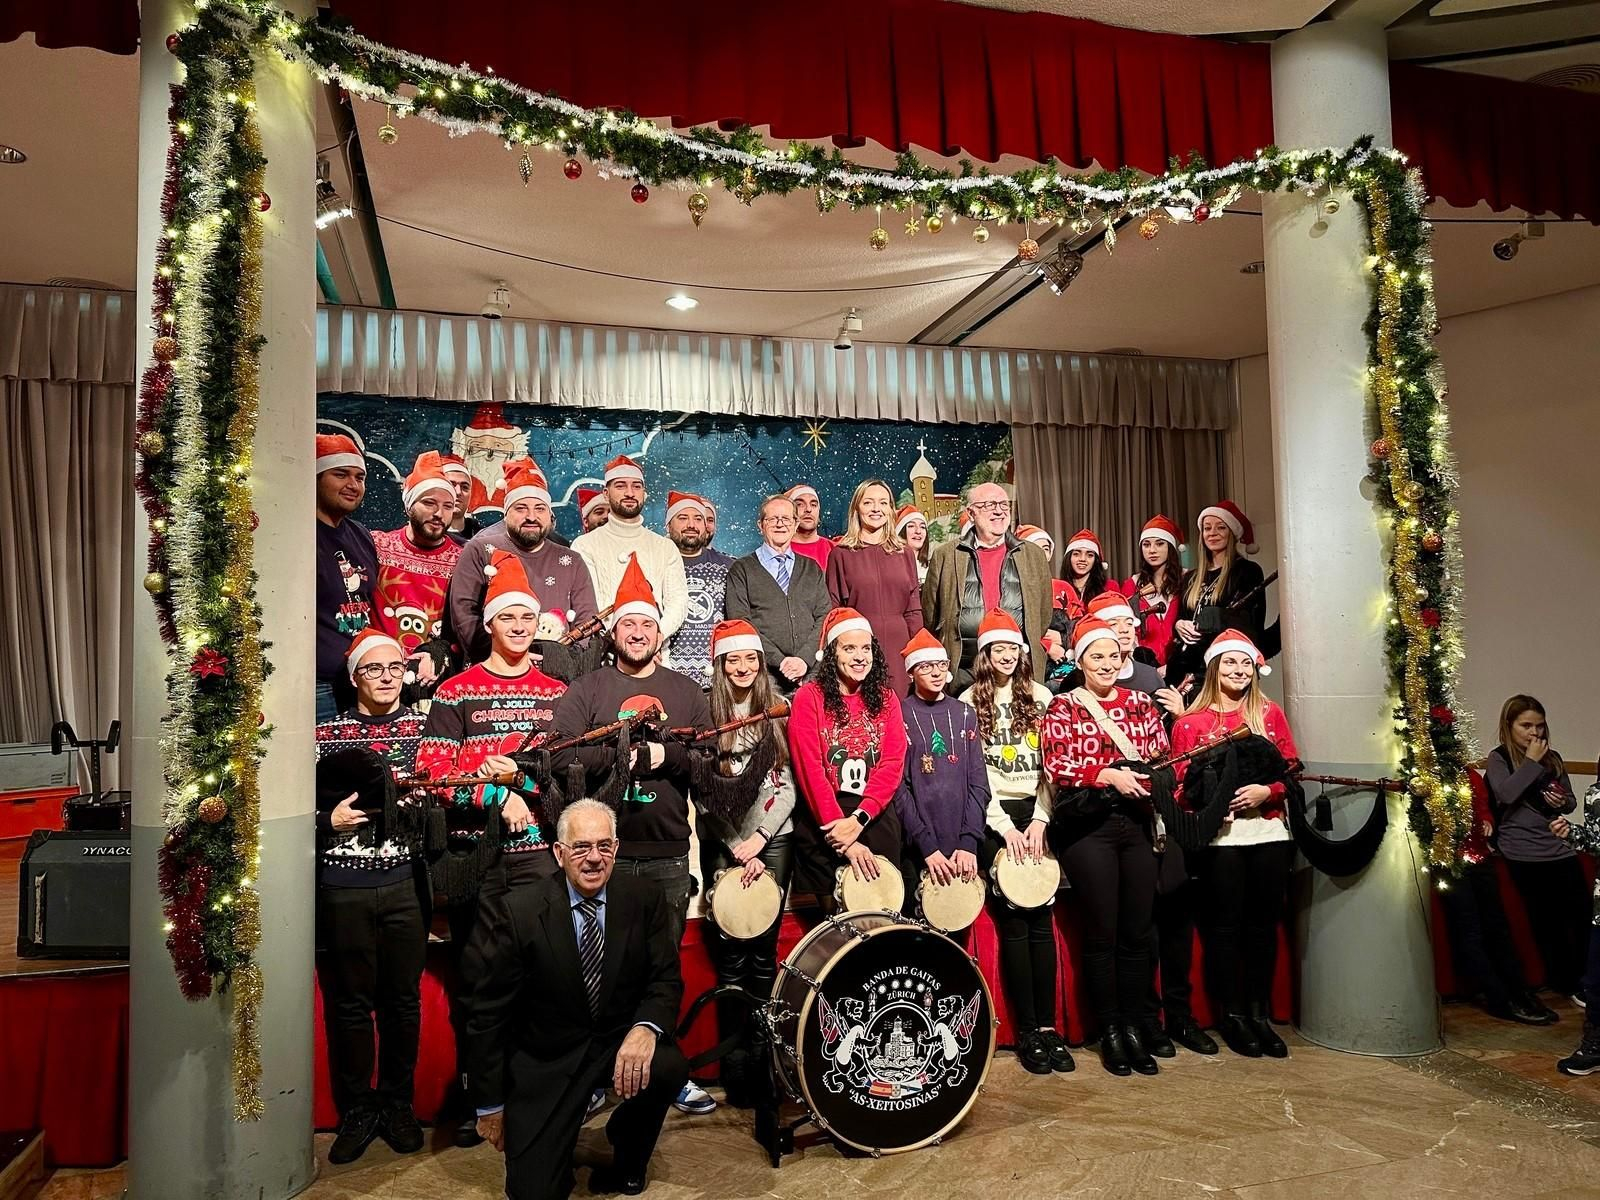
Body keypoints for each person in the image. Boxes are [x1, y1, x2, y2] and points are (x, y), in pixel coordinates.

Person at [547, 554, 716, 1117]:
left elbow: (709, 758)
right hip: (601, 858)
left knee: (660, 969)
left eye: (647, 623)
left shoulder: (687, 691)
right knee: (600, 972)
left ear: (659, 630)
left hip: (667, 851)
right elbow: (561, 751)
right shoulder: (589, 689)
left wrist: (666, 755)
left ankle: (666, 1068)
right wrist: (622, 754)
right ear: (614, 632)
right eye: (627, 624)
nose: (637, 632)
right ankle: (601, 1073)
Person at [414, 551, 569, 1146]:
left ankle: (534, 1092)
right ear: (489, 625)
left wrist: (526, 785)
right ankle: (487, 1101)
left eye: (527, 619)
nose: (519, 627)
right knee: (481, 983)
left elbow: (563, 770)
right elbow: (432, 771)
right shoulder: (457, 691)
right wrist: (491, 793)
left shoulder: (557, 693)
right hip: (474, 856)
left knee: (539, 976)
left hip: (536, 858)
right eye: (508, 618)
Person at [464, 799, 688, 1200]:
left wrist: (644, 1028)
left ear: (616, 849)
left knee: (668, 1064)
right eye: (581, 847)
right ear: (559, 853)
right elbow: (488, 1015)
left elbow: (665, 979)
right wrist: (489, 1106)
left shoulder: (643, 897)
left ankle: (627, 1144)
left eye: (604, 846)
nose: (594, 859)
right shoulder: (521, 911)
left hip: (615, 1044)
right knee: (533, 1193)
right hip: (546, 1060)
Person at [314, 629, 431, 1164]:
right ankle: (358, 1109)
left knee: (403, 1002)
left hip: (405, 883)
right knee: (351, 1005)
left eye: (395, 668)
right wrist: (325, 820)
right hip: (344, 887)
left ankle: (398, 1104)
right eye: (375, 669)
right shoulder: (325, 735)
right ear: (355, 677)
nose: (388, 678)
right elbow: (291, 804)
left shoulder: (424, 729)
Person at [1041, 618, 1169, 1077]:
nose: (1108, 664)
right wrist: (1106, 774)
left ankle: (1136, 1026)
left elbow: (1160, 757)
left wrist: (1139, 775)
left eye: (1114, 656)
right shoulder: (1063, 707)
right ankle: (1110, 1031)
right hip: (1089, 828)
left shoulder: (1140, 703)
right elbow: (1058, 762)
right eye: (1098, 656)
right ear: (1080, 660)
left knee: (1137, 932)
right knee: (1103, 934)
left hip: (1135, 823)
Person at [1170, 630, 1296, 1059]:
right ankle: (1234, 1016)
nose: (1238, 671)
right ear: (1213, 668)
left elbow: (1292, 771)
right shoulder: (1190, 723)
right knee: (1224, 928)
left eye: (1245, 664)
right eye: (1229, 664)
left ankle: (1259, 1015)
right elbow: (1181, 787)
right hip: (1222, 841)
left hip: (1268, 834)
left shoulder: (1269, 713)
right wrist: (1209, 807)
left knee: (1262, 927)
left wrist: (1268, 791)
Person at [958, 609, 1073, 1075]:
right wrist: (1003, 826)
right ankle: (1027, 1031)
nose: (1007, 656)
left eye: (1014, 649)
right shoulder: (968, 701)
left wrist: (1042, 818)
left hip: (1036, 815)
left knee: (1041, 921)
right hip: (996, 817)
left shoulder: (1042, 696)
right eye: (998, 649)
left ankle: (1048, 1028)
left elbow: (1052, 765)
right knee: (1015, 924)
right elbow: (975, 774)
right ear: (985, 653)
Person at [689, 620, 796, 1107]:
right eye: (734, 659)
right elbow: (704, 791)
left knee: (763, 954)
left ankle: (763, 1058)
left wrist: (759, 837)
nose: (744, 667)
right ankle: (733, 1061)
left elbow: (786, 784)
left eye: (751, 659)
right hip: (724, 841)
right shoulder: (706, 714)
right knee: (731, 954)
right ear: (720, 664)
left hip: (772, 839)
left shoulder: (774, 712)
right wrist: (736, 842)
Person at [786, 608, 909, 907]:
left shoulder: (886, 698)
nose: (859, 656)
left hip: (874, 817)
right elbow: (809, 769)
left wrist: (860, 819)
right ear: (831, 653)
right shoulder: (808, 698)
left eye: (866, 648)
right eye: (849, 648)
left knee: (880, 924)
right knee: (836, 933)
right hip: (825, 821)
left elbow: (892, 763)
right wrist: (844, 836)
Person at [1487, 695, 1587, 1003]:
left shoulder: (1553, 758)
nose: (1534, 733)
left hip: (1560, 847)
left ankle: (1587, 978)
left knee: (1582, 916)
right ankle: (1566, 982)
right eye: (1526, 725)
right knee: (1547, 922)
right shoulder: (1499, 757)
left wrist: (1561, 801)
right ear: (1509, 725)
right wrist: (1530, 762)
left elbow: (1569, 800)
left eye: (1539, 725)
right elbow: (1505, 794)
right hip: (1523, 852)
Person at [448, 461, 600, 663]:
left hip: (559, 675)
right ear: (506, 513)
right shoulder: (479, 550)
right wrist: (507, 660)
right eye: (521, 508)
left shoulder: (572, 561)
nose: (531, 517)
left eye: (539, 509)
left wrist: (563, 663)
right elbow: (464, 614)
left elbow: (587, 621)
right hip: (495, 670)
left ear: (550, 515)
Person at [1439, 771, 1557, 1026]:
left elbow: (1483, 807)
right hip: (1448, 861)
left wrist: (1486, 821)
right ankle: (1499, 997)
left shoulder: (1469, 776)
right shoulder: (1427, 777)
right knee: (1470, 930)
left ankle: (1520, 991)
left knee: (1498, 926)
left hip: (1480, 856)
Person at [921, 482, 1052, 692]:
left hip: (1019, 666)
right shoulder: (946, 555)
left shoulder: (1033, 555)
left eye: (1003, 504)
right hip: (965, 669)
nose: (999, 510)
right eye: (990, 505)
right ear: (971, 513)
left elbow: (1043, 614)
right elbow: (931, 614)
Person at [895, 628, 986, 911]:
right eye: (926, 666)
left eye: (941, 665)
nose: (936, 672)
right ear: (911, 673)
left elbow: (979, 784)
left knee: (956, 927)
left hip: (962, 846)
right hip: (920, 847)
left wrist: (969, 841)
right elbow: (899, 788)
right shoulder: (899, 714)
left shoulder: (964, 713)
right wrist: (927, 846)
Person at [723, 494, 833, 694]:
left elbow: (824, 616)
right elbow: (741, 622)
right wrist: (780, 661)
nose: (780, 524)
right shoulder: (742, 569)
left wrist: (804, 659)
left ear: (795, 523)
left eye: (786, 519)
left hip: (811, 670)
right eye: (772, 519)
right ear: (760, 525)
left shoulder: (811, 568)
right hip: (766, 673)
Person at [572, 454, 689, 638]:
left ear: (644, 492)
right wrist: (622, 641)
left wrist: (656, 637)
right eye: (620, 486)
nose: (630, 493)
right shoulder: (584, 546)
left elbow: (678, 602)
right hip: (606, 654)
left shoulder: (665, 547)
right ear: (606, 493)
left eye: (636, 486)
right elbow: (591, 604)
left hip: (657, 653)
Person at [826, 480, 925, 697]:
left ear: (891, 509)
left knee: (900, 708)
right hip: (859, 649)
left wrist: (919, 652)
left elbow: (913, 609)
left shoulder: (905, 553)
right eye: (868, 502)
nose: (876, 509)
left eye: (883, 503)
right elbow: (834, 610)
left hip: (900, 647)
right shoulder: (840, 554)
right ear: (856, 508)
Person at [372, 452, 461, 690]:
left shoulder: (462, 561)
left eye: (448, 506)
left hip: (437, 677)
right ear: (409, 505)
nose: (439, 514)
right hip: (379, 675)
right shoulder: (376, 547)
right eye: (429, 503)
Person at [1166, 502, 1267, 690]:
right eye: (1207, 528)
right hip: (1186, 668)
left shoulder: (1247, 572)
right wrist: (1179, 625)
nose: (1212, 533)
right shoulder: (1191, 577)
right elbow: (1182, 615)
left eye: (1220, 527)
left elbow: (1253, 624)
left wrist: (1218, 617)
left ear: (1232, 533)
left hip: (1223, 668)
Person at [315, 433, 379, 720]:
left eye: (360, 477)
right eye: (341, 475)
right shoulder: (300, 534)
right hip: (318, 685)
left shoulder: (361, 535)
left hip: (360, 682)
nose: (353, 485)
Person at [664, 492, 734, 689]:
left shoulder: (730, 567)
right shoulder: (657, 564)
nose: (691, 525)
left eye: (698, 519)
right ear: (669, 525)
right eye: (683, 518)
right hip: (668, 677)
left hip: (719, 680)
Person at [1549, 815, 1600, 1075]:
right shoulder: (1596, 792)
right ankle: (1595, 1048)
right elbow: (1595, 841)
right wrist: (1571, 833)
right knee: (1594, 982)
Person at [1124, 516, 1185, 672]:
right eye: (1146, 544)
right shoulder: (1131, 585)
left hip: (1180, 666)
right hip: (1143, 667)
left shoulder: (1188, 581)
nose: (1152, 550)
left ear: (1170, 547)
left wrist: (1171, 667)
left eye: (1159, 544)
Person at [785, 482, 832, 570]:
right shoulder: (778, 552)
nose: (808, 509)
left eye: (813, 505)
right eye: (799, 504)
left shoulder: (835, 549)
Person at [440, 453, 480, 545]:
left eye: (465, 487)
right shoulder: (424, 534)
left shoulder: (484, 537)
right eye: (451, 484)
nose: (458, 492)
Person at [898, 505, 931, 584]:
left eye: (922, 527)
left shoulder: (932, 567)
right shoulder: (892, 566)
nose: (918, 531)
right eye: (911, 526)